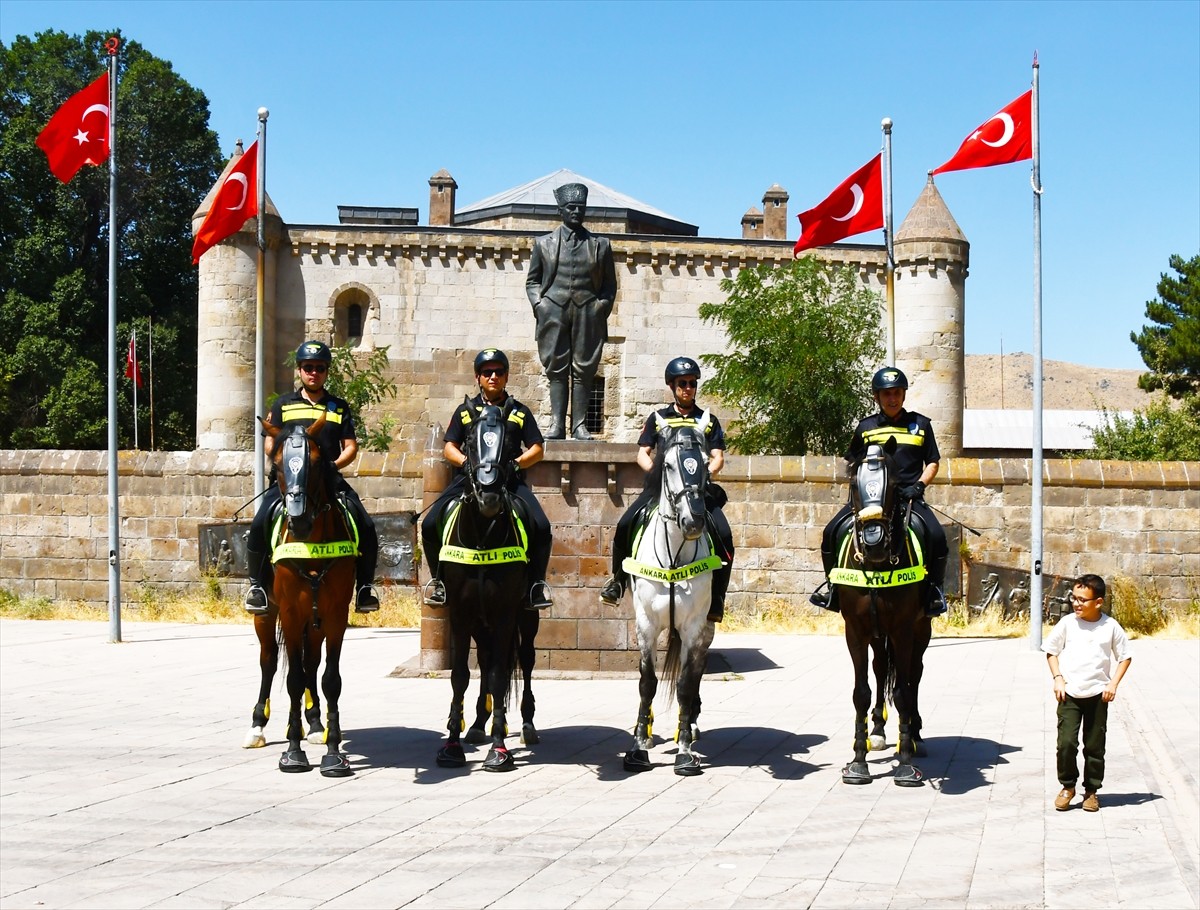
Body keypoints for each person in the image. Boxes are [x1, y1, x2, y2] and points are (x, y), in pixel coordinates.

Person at [244, 340, 380, 614]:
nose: (313, 373)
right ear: (300, 370)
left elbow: (350, 446)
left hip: (328, 481)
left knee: (365, 524)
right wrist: (281, 462)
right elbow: (270, 443)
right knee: (259, 524)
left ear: (326, 372)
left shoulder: (338, 407)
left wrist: (332, 465)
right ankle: (257, 586)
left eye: (319, 368)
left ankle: (364, 588)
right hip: (290, 484)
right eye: (308, 367)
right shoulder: (282, 405)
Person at [598, 356, 734, 623]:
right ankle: (617, 581)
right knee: (626, 523)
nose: (687, 388)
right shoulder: (658, 418)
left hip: (697, 492)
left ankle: (717, 596)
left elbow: (718, 456)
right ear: (672, 386)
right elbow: (642, 454)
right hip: (661, 491)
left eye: (692, 383)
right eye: (682, 383)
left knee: (725, 534)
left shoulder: (708, 420)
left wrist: (707, 471)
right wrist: (659, 475)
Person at [421, 349, 554, 610]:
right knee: (429, 524)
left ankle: (535, 585)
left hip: (509, 483)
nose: (493, 377)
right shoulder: (465, 412)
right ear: (477, 377)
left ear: (506, 377)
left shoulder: (519, 412)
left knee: (541, 526)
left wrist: (516, 464)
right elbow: (449, 446)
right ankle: (440, 582)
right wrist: (465, 464)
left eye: (498, 372)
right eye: (487, 372)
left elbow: (537, 448)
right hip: (468, 482)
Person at [811, 366, 948, 616]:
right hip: (869, 500)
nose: (892, 399)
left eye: (897, 393)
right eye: (886, 394)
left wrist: (919, 486)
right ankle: (832, 590)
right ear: (877, 397)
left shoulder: (921, 425)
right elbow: (851, 462)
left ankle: (934, 594)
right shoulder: (865, 428)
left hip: (908, 499)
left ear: (904, 395)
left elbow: (933, 462)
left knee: (938, 537)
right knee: (831, 531)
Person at [525, 182, 617, 440]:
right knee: (556, 367)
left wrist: (601, 307)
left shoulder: (601, 245)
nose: (576, 211)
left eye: (580, 207)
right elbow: (532, 281)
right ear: (561, 210)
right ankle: (557, 425)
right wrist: (539, 305)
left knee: (584, 368)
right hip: (553, 310)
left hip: (588, 311)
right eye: (571, 207)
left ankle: (579, 425)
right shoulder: (543, 244)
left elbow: (610, 284)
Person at [1043, 574, 1132, 813]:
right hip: (1069, 695)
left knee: (1094, 746)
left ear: (1098, 602)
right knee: (1066, 744)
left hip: (1097, 696)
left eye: (1083, 599)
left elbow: (1125, 657)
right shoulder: (1067, 623)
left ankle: (1091, 791)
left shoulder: (1110, 627)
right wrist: (1058, 678)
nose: (1077, 603)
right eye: (1075, 598)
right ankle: (1067, 786)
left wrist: (1113, 684)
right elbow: (1051, 652)